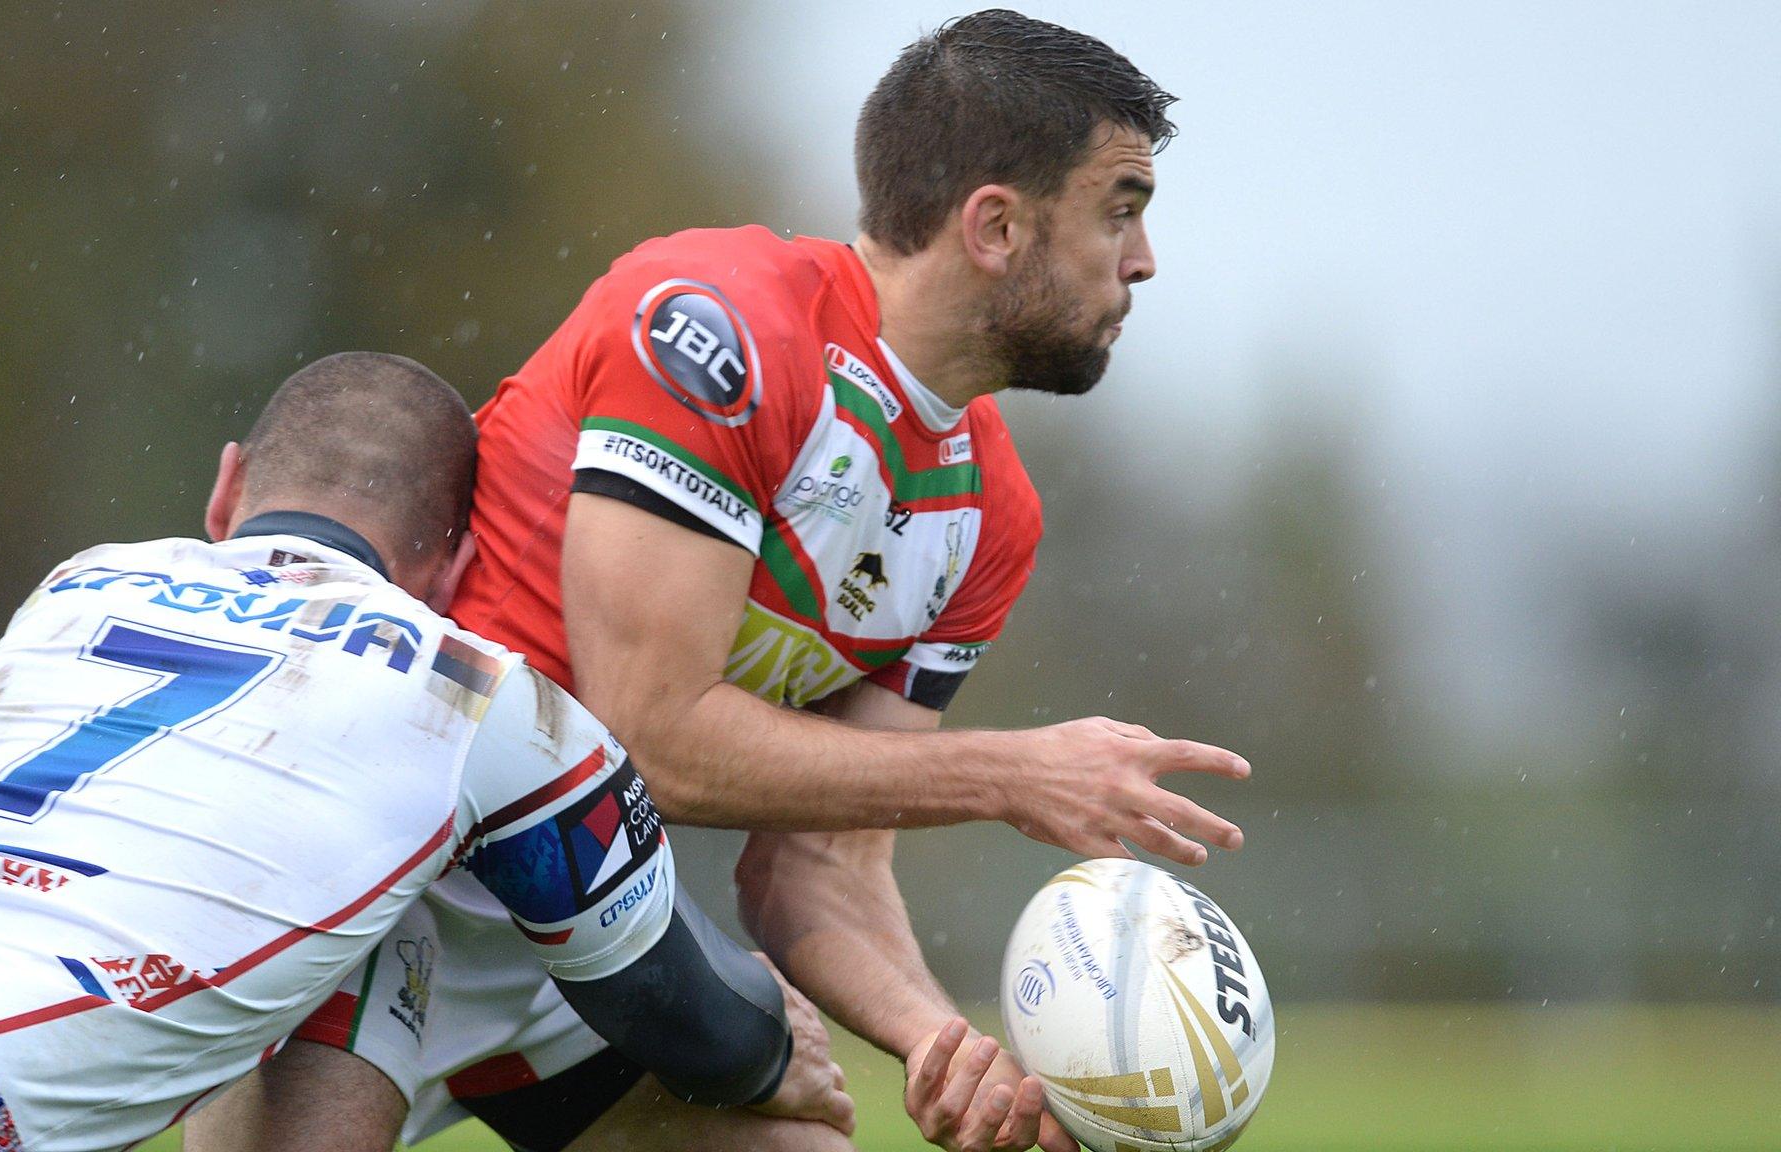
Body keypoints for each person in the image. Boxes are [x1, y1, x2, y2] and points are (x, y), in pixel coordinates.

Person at [194, 11, 1253, 1152]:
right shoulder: (717, 325)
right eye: (1120, 211)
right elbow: (644, 733)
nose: (1140, 260)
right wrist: (1011, 772)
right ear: (994, 225)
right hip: (383, 870)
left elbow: (816, 866)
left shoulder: (992, 517)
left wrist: (947, 1051)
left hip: (589, 929)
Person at [0, 352, 850, 1152]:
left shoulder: (81, 579)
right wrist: (763, 1050)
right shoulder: (483, 692)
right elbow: (674, 1010)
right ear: (453, 568)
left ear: (227, 488)